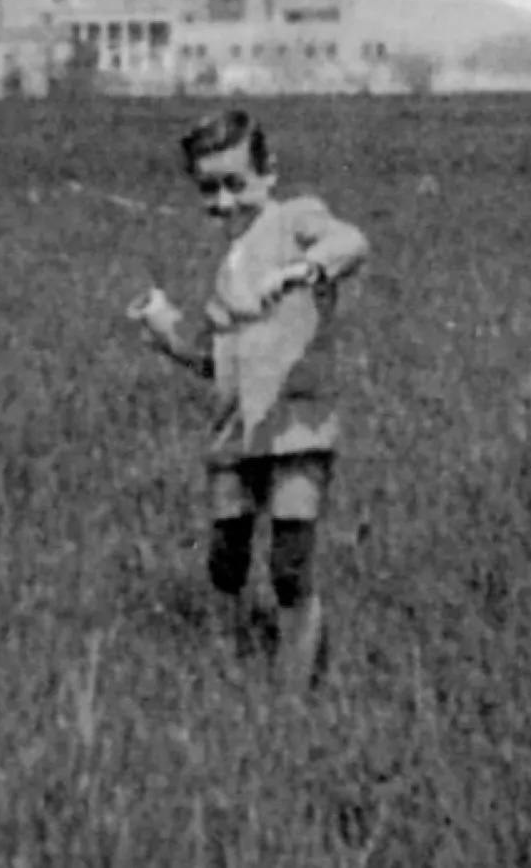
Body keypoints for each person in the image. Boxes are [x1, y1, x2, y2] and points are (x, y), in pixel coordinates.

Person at [126, 109, 368, 686]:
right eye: (209, 189)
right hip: (234, 436)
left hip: (296, 427)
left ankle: (295, 689)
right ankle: (227, 669)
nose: (225, 201)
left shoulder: (294, 219)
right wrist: (165, 331)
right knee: (227, 560)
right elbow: (214, 360)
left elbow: (351, 242)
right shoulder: (228, 272)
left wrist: (304, 271)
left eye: (236, 184)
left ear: (268, 173)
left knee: (289, 564)